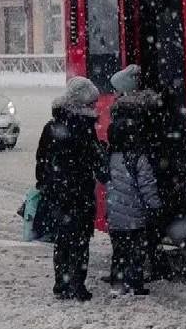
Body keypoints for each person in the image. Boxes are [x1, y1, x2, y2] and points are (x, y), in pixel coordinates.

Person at [35, 76, 107, 301]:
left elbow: (42, 160)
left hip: (58, 194)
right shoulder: (84, 128)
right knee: (79, 241)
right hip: (79, 193)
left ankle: (61, 283)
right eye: (92, 103)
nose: (95, 107)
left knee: (63, 239)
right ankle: (77, 285)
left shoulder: (52, 126)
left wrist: (45, 185)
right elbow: (96, 161)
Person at [103, 64, 166, 284]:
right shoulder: (147, 107)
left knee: (125, 238)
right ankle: (142, 271)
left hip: (125, 201)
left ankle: (122, 274)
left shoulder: (123, 112)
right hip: (149, 165)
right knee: (142, 230)